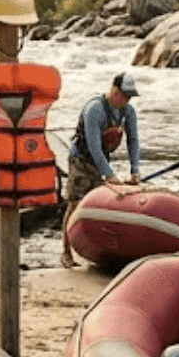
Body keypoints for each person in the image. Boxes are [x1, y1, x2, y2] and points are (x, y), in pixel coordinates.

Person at [60, 71, 142, 268]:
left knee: (100, 205)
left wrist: (135, 169)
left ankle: (96, 251)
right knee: (75, 203)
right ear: (114, 90)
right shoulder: (95, 109)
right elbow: (94, 146)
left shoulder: (128, 112)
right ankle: (65, 252)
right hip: (81, 160)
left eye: (129, 97)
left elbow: (133, 141)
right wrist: (110, 174)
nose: (126, 100)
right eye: (124, 95)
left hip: (102, 160)